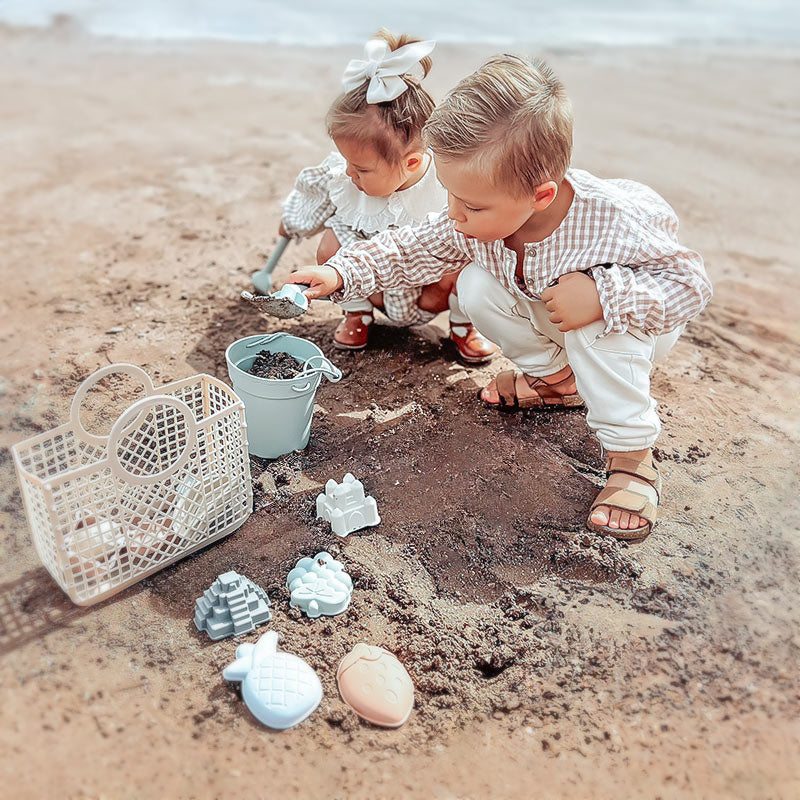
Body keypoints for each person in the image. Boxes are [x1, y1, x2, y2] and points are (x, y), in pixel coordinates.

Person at [285, 54, 712, 540]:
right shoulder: (473, 215)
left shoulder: (611, 220)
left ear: (541, 196)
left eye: (471, 204)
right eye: (448, 194)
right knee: (475, 286)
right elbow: (413, 247)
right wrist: (339, 273)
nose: (455, 214)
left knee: (599, 324)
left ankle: (632, 457)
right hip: (553, 317)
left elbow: (691, 286)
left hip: (632, 326)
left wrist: (603, 294)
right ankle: (558, 380)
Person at [279, 30, 497, 363]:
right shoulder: (348, 179)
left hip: (428, 293)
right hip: (372, 288)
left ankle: (462, 325)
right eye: (349, 163)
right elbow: (316, 197)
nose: (351, 174)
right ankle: (357, 315)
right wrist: (292, 223)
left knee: (466, 258)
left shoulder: (446, 184)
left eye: (362, 169)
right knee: (331, 242)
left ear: (410, 162)